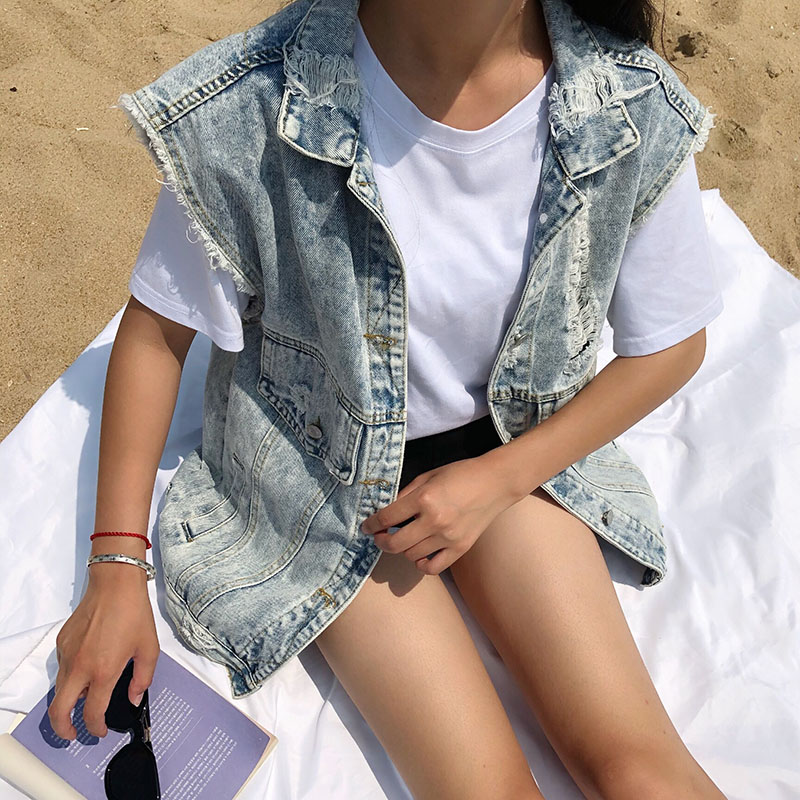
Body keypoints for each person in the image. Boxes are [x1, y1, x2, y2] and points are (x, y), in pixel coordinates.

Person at [49, 0, 729, 797]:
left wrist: (501, 478)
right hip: (326, 487)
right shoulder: (254, 100)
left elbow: (672, 343)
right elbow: (155, 334)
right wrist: (116, 568)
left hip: (510, 446)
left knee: (641, 768)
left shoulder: (623, 100)